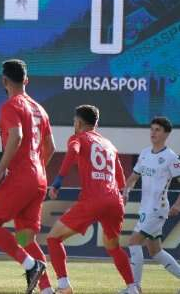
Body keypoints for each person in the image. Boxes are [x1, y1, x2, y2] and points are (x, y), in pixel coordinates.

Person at [0, 59, 55, 294]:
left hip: (20, 177)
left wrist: (1, 169)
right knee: (26, 239)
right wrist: (36, 171)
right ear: (26, 80)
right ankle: (47, 290)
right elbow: (51, 148)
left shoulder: (10, 106)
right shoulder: (40, 109)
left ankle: (31, 265)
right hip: (39, 178)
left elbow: (16, 136)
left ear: (4, 81)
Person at [46, 105, 139, 294]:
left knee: (53, 238)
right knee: (113, 247)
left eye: (74, 121)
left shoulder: (79, 138)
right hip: (114, 201)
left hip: (93, 200)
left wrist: (58, 180)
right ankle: (132, 288)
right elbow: (120, 175)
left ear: (79, 122)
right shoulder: (108, 144)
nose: (74, 124)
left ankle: (64, 285)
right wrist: (123, 194)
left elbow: (73, 152)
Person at [124, 116, 180, 291]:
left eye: (158, 130)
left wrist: (178, 205)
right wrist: (126, 191)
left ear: (166, 134)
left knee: (133, 242)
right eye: (152, 129)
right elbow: (133, 177)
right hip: (145, 208)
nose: (153, 133)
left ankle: (135, 287)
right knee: (155, 251)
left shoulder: (171, 157)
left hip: (157, 209)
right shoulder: (145, 153)